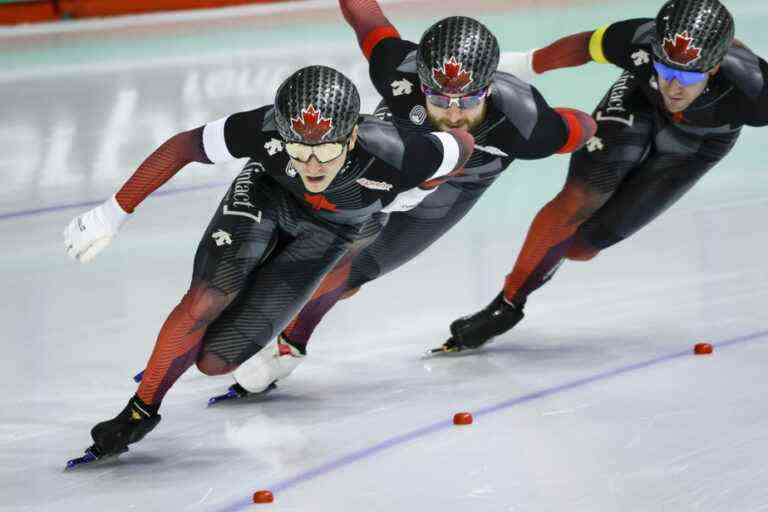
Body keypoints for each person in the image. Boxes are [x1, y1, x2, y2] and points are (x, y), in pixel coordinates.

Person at [62, 65, 475, 465]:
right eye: (299, 151)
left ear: (350, 137)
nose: (312, 165)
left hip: (331, 231)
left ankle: (193, 339)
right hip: (267, 196)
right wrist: (110, 214)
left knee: (215, 362)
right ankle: (139, 411)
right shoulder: (263, 129)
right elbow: (183, 146)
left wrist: (416, 193)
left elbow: (463, 145)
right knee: (210, 295)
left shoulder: (401, 152)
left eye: (325, 151)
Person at [221, 7, 597, 399]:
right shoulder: (397, 66)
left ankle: (290, 344)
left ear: (489, 88)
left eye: (467, 100)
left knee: (353, 271)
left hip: (455, 187)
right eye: (438, 96)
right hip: (394, 157)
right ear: (420, 79)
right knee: (314, 243)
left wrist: (574, 117)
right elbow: (366, 18)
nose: (452, 114)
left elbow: (581, 128)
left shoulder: (528, 122)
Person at [443, 0, 768, 352]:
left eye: (689, 77)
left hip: (699, 143)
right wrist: (519, 65)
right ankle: (507, 305)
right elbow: (582, 47)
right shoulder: (637, 41)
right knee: (580, 199)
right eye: (664, 68)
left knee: (582, 246)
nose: (673, 86)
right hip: (638, 103)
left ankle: (549, 263)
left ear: (716, 66)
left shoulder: (755, 88)